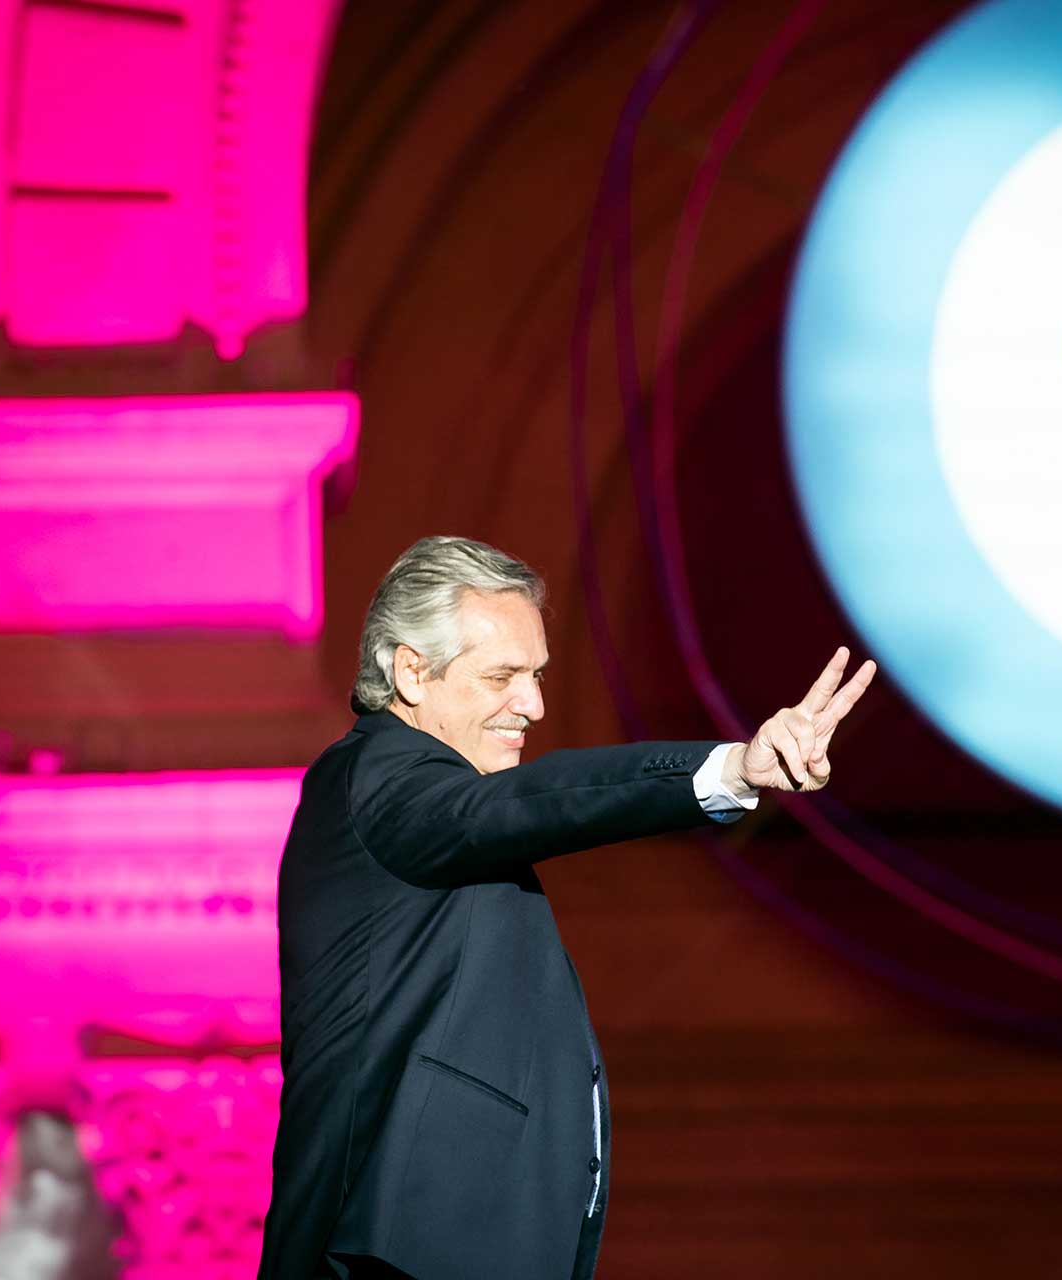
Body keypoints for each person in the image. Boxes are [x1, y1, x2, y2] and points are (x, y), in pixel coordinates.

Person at [256, 536, 875, 1280]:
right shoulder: (373, 777)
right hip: (391, 1249)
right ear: (412, 672)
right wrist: (729, 769)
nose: (535, 704)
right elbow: (527, 804)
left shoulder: (417, 799)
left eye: (538, 675)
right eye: (502, 677)